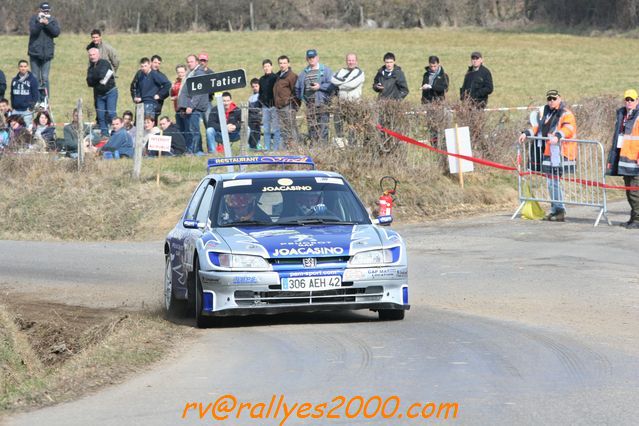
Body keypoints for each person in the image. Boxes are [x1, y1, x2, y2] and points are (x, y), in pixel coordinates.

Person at [519, 89, 577, 222]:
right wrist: (526, 133)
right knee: (551, 182)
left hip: (562, 152)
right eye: (549, 99)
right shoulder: (545, 113)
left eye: (554, 99)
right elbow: (537, 128)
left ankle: (560, 210)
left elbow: (569, 129)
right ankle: (555, 209)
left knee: (554, 182)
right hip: (549, 152)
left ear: (560, 99)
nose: (551, 101)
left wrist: (557, 136)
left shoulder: (566, 114)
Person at [606, 89, 639, 229]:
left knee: (634, 191)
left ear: (637, 101)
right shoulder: (622, 114)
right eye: (627, 99)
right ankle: (633, 218)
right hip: (624, 158)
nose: (629, 102)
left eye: (632, 100)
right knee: (629, 190)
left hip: (635, 159)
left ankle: (637, 219)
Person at [295, 49, 333, 143]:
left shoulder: (326, 70)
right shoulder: (304, 72)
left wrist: (320, 87)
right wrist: (302, 97)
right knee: (312, 127)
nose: (311, 59)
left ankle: (323, 149)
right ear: (306, 59)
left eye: (313, 57)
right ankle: (314, 149)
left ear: (317, 58)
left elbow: (332, 85)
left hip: (322, 103)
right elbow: (297, 87)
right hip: (310, 104)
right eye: (309, 58)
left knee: (323, 127)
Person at [28, 2, 60, 101]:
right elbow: (33, 31)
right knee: (35, 77)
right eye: (43, 11)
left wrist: (47, 24)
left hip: (47, 54)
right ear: (40, 10)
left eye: (47, 11)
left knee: (45, 78)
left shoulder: (53, 20)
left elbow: (56, 33)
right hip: (35, 53)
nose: (45, 13)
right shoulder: (34, 19)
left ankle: (45, 100)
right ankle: (36, 99)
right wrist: (40, 23)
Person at [177, 54, 209, 155]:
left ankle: (197, 151)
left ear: (196, 62)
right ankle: (192, 150)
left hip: (194, 107)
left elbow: (199, 92)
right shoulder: (192, 72)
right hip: (188, 107)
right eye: (188, 62)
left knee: (194, 130)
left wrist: (191, 106)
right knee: (190, 129)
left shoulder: (198, 73)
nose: (189, 63)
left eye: (191, 61)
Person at [330, 52, 365, 144]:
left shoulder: (360, 73)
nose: (351, 62)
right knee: (338, 124)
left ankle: (352, 146)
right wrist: (344, 82)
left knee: (352, 128)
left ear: (356, 61)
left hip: (354, 105)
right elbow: (333, 79)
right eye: (349, 60)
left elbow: (352, 84)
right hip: (341, 104)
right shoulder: (341, 71)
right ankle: (340, 144)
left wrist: (340, 85)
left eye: (353, 60)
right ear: (346, 61)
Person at [86, 47, 117, 138]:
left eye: (94, 54)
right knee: (100, 116)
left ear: (98, 54)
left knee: (111, 113)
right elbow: (89, 82)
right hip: (99, 95)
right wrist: (97, 78)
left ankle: (117, 132)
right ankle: (105, 135)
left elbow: (102, 75)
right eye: (90, 55)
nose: (92, 56)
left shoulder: (104, 63)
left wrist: (94, 78)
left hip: (110, 92)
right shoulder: (90, 67)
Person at [273, 55, 299, 147]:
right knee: (284, 129)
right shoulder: (277, 76)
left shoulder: (292, 76)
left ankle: (296, 148)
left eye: (284, 63)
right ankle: (287, 148)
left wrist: (294, 106)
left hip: (288, 107)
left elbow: (296, 92)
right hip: (279, 107)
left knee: (292, 128)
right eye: (280, 63)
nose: (282, 65)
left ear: (288, 63)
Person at [258, 59, 280, 150]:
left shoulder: (276, 78)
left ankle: (276, 148)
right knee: (266, 129)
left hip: (274, 106)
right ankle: (267, 148)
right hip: (265, 107)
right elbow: (260, 92)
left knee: (276, 129)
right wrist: (262, 102)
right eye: (264, 67)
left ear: (271, 66)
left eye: (268, 66)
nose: (266, 68)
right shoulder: (261, 79)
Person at [10, 60, 40, 127]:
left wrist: (30, 108)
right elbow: (12, 94)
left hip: (27, 110)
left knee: (26, 130)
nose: (23, 68)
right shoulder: (14, 80)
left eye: (25, 66)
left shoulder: (32, 80)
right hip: (16, 110)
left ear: (27, 67)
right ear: (18, 67)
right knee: (13, 129)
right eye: (21, 66)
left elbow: (35, 95)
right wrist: (13, 107)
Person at [170, 64, 187, 137]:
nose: (180, 74)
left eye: (182, 72)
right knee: (180, 129)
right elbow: (171, 95)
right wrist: (171, 88)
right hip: (177, 108)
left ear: (186, 72)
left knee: (187, 130)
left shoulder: (187, 82)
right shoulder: (176, 82)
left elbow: (187, 95)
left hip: (185, 108)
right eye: (179, 72)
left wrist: (176, 98)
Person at [248, 78, 262, 150]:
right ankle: (251, 144)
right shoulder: (250, 98)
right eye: (253, 87)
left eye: (256, 86)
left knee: (255, 124)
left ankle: (256, 144)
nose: (255, 88)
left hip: (259, 117)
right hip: (251, 117)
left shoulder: (262, 96)